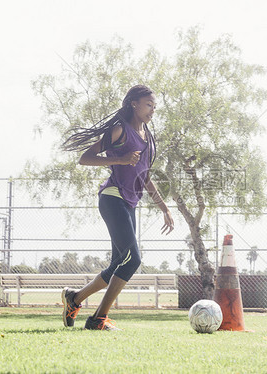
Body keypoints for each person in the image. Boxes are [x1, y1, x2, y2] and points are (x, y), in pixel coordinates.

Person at [60, 85, 174, 330]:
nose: (152, 111)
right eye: (148, 105)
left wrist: (164, 207)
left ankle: (75, 298)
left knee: (118, 264)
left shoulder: (147, 136)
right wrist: (119, 159)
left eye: (155, 107)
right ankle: (97, 319)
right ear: (134, 103)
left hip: (129, 203)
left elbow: (144, 176)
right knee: (133, 260)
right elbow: (85, 158)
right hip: (112, 197)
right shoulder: (120, 130)